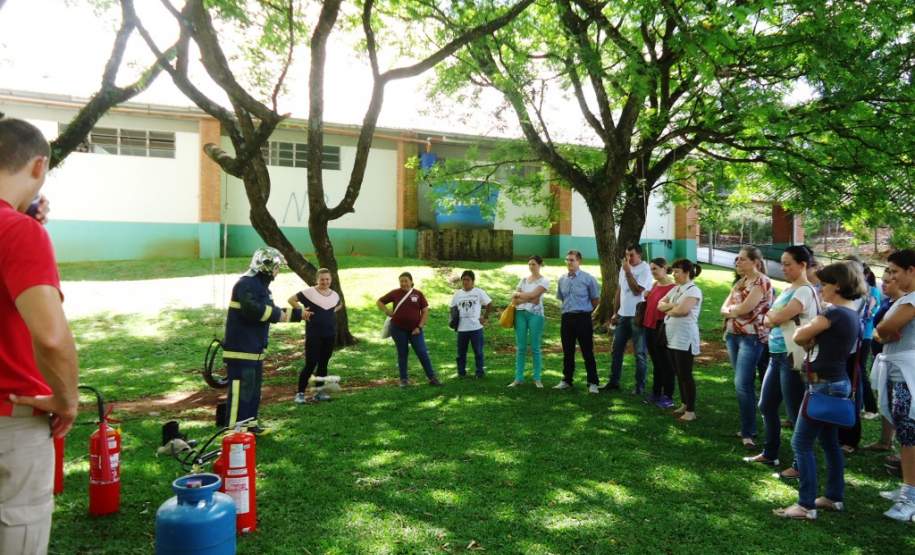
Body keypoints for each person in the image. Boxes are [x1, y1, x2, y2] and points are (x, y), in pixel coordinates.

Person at [0, 119, 79, 554]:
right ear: (38, 166)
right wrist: (66, 399)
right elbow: (50, 336)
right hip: (11, 422)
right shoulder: (18, 232)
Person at [774, 262, 865, 520]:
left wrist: (809, 329)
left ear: (838, 286)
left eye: (824, 284)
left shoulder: (834, 313)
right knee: (829, 443)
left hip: (823, 385)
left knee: (801, 442)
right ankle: (833, 497)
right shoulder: (851, 314)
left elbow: (799, 336)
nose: (819, 289)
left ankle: (805, 505)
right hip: (836, 384)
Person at [746, 245, 818, 469]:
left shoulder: (804, 290)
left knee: (795, 411)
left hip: (792, 356)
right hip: (776, 355)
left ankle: (800, 464)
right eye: (782, 263)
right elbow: (768, 316)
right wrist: (772, 317)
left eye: (788, 264)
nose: (783, 268)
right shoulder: (788, 289)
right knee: (767, 405)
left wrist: (772, 317)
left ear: (802, 265)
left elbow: (774, 318)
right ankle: (770, 453)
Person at [223, 247, 300, 433]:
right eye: (277, 267)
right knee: (241, 389)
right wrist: (276, 314)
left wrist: (300, 314)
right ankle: (235, 431)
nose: (277, 272)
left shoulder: (261, 287)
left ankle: (249, 425)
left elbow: (273, 311)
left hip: (254, 349)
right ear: (268, 267)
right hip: (242, 349)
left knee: (252, 391)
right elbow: (252, 310)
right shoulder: (246, 284)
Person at [872, 249, 915, 521]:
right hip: (900, 374)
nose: (892, 277)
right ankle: (908, 487)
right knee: (905, 432)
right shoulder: (907, 299)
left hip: (908, 378)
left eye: (895, 271)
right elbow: (882, 329)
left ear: (911, 270)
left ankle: (910, 497)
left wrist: (883, 330)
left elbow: (885, 329)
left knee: (910, 436)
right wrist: (883, 330)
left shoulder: (911, 301)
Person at [721, 246, 773, 448]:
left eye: (742, 259)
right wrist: (733, 311)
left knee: (743, 384)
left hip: (751, 337)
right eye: (737, 259)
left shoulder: (762, 282)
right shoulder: (741, 282)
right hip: (733, 335)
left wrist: (732, 310)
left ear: (755, 262)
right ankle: (748, 428)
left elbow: (745, 309)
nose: (738, 262)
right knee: (742, 383)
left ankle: (748, 431)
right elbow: (723, 308)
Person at [657, 259, 703, 421]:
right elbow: (660, 304)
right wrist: (673, 306)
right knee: (678, 372)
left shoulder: (693, 290)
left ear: (687, 273)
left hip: (685, 337)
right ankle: (684, 404)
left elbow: (682, 311)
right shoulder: (677, 288)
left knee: (685, 374)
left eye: (677, 271)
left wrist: (670, 308)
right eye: (674, 271)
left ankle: (691, 411)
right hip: (673, 336)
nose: (674, 274)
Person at [377, 272, 442, 387]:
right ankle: (403, 380)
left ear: (411, 281)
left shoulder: (418, 294)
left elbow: (425, 311)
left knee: (422, 352)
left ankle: (432, 378)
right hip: (398, 329)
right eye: (401, 281)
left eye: (406, 281)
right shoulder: (395, 293)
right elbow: (379, 301)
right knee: (402, 353)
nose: (403, 283)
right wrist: (386, 311)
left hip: (415, 330)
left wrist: (419, 327)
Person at [605, 244, 654, 394]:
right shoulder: (624, 268)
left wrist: (628, 272)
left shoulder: (645, 269)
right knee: (616, 350)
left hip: (637, 316)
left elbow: (637, 290)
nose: (628, 258)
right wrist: (615, 312)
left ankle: (639, 387)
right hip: (622, 315)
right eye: (626, 255)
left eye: (631, 255)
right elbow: (619, 290)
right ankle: (613, 382)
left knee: (639, 353)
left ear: (640, 254)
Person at [290, 268, 343, 403]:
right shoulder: (309, 292)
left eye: (327, 279)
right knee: (311, 363)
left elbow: (339, 305)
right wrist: (302, 311)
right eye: (322, 279)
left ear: (331, 280)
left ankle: (319, 393)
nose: (325, 282)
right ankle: (300, 394)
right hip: (314, 334)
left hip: (330, 334)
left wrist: (330, 312)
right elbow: (291, 299)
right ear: (317, 280)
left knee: (323, 364)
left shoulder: (335, 295)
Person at [554, 250, 601, 393]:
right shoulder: (562, 279)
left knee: (587, 351)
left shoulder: (588, 279)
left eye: (572, 260)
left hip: (583, 318)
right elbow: (562, 298)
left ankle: (593, 382)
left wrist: (585, 311)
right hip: (567, 319)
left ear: (579, 261)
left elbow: (595, 299)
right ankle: (567, 380)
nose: (569, 262)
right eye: (567, 260)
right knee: (568, 351)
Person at [509, 256, 550, 388]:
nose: (531, 267)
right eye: (529, 264)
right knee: (520, 347)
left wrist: (521, 296)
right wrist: (529, 298)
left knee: (535, 347)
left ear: (540, 265)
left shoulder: (544, 281)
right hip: (519, 314)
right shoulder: (523, 280)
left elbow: (533, 296)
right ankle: (518, 378)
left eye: (533, 264)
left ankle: (537, 378)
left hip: (536, 315)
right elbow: (515, 299)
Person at [642, 258, 676, 407]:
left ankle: (668, 396)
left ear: (664, 268)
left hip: (661, 328)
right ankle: (656, 393)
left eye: (655, 268)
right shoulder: (655, 284)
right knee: (656, 362)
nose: (652, 272)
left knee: (666, 363)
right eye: (651, 269)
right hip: (648, 327)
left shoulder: (673, 288)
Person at [450, 270, 493, 378]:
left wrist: (485, 317)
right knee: (461, 353)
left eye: (468, 280)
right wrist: (453, 320)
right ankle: (461, 373)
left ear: (473, 281)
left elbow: (489, 304)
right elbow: (452, 308)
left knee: (478, 352)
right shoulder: (457, 294)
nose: (465, 282)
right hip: (461, 328)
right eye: (463, 279)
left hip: (476, 328)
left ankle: (479, 372)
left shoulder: (478, 292)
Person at [861, 264, 883, 419]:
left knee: (860, 370)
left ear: (866, 275)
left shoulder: (872, 291)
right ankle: (861, 404)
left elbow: (870, 312)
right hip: (857, 335)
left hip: (865, 335)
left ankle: (871, 408)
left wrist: (868, 309)